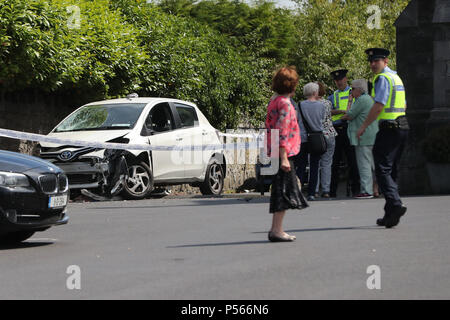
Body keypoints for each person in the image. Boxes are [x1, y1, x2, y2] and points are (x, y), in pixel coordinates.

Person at [357, 48, 409, 228]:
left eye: (376, 61)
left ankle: (395, 203)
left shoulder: (382, 79)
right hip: (402, 126)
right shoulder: (396, 78)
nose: (372, 64)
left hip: (389, 128)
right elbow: (404, 103)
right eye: (371, 61)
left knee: (382, 169)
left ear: (385, 61)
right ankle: (390, 215)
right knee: (392, 169)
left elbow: (379, 105)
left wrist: (363, 126)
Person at [266, 66, 308, 242]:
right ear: (292, 84)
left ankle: (276, 229)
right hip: (283, 153)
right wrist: (284, 157)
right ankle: (277, 230)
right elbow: (282, 131)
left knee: (280, 191)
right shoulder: (284, 103)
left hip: (276, 151)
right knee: (283, 192)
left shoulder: (274, 100)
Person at [342, 79, 378, 199]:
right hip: (371, 135)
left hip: (363, 136)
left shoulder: (361, 100)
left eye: (352, 89)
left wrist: (343, 116)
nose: (351, 91)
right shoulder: (369, 99)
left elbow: (350, 115)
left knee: (364, 165)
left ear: (359, 89)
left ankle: (367, 190)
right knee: (373, 165)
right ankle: (376, 189)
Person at [328, 69, 360, 198]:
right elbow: (328, 111)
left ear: (346, 79)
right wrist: (341, 111)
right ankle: (332, 191)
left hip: (349, 128)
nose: (339, 82)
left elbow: (355, 109)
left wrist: (339, 111)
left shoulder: (352, 93)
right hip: (336, 130)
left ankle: (356, 189)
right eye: (337, 80)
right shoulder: (333, 95)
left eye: (341, 79)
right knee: (334, 162)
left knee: (353, 161)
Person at [293, 82, 325, 201]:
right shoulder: (321, 105)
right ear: (314, 92)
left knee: (300, 166)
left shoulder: (299, 105)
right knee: (314, 166)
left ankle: (298, 192)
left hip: (302, 138)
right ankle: (312, 193)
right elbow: (321, 119)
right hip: (316, 138)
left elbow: (296, 119)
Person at [316, 81, 337, 198]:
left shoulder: (311, 104)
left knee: (315, 162)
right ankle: (326, 190)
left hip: (317, 135)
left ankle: (314, 188)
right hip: (329, 133)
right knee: (327, 163)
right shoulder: (328, 103)